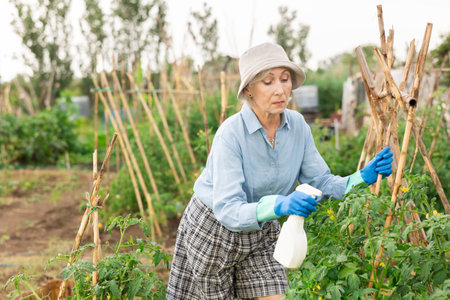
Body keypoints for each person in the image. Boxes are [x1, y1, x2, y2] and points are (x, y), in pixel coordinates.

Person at [166, 42, 393, 300]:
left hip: (261, 233)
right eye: (268, 82)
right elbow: (228, 209)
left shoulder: (297, 126)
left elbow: (319, 180)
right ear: (249, 89)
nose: (280, 89)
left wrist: (360, 178)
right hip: (214, 230)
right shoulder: (231, 134)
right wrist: (280, 205)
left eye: (285, 80)